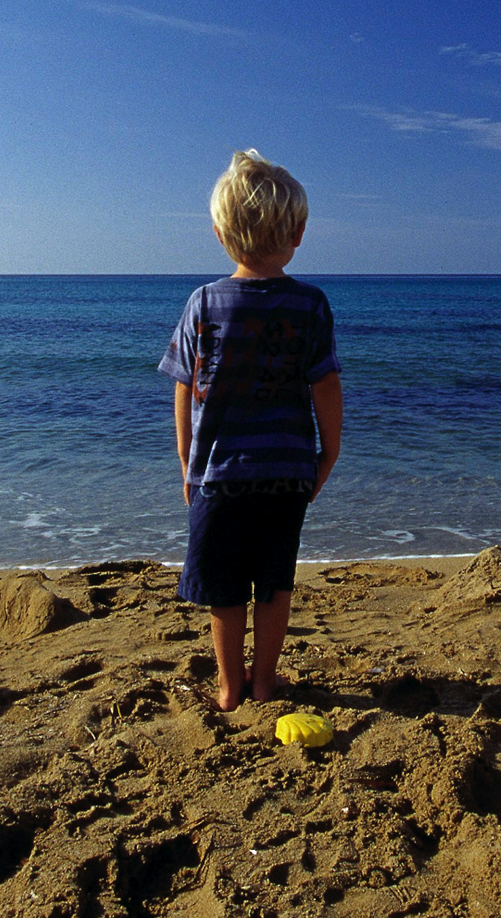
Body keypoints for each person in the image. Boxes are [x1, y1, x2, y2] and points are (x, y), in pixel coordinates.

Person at [159, 149, 343, 711]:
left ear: (219, 234)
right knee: (275, 583)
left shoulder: (204, 303)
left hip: (220, 477)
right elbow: (325, 385)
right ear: (299, 233)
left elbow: (185, 389)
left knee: (225, 589)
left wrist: (189, 466)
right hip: (286, 474)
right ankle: (264, 682)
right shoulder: (309, 304)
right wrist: (327, 454)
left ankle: (229, 685)